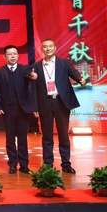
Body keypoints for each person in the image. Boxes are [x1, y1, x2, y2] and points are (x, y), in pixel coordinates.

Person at [32, 38, 86, 174]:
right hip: (45, 103)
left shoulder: (63, 63)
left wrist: (80, 79)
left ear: (55, 48)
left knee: (63, 135)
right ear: (42, 49)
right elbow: (33, 88)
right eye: (45, 47)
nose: (48, 49)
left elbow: (73, 73)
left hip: (61, 102)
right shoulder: (36, 66)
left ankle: (66, 164)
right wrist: (35, 107)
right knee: (47, 136)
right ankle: (48, 164)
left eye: (50, 46)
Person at [0, 45, 38, 174]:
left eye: (15, 54)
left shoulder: (25, 70)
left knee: (23, 139)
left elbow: (32, 87)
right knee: (10, 138)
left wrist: (33, 107)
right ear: (5, 57)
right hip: (8, 110)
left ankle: (24, 165)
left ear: (18, 56)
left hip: (23, 110)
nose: (12, 56)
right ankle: (12, 164)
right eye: (9, 54)